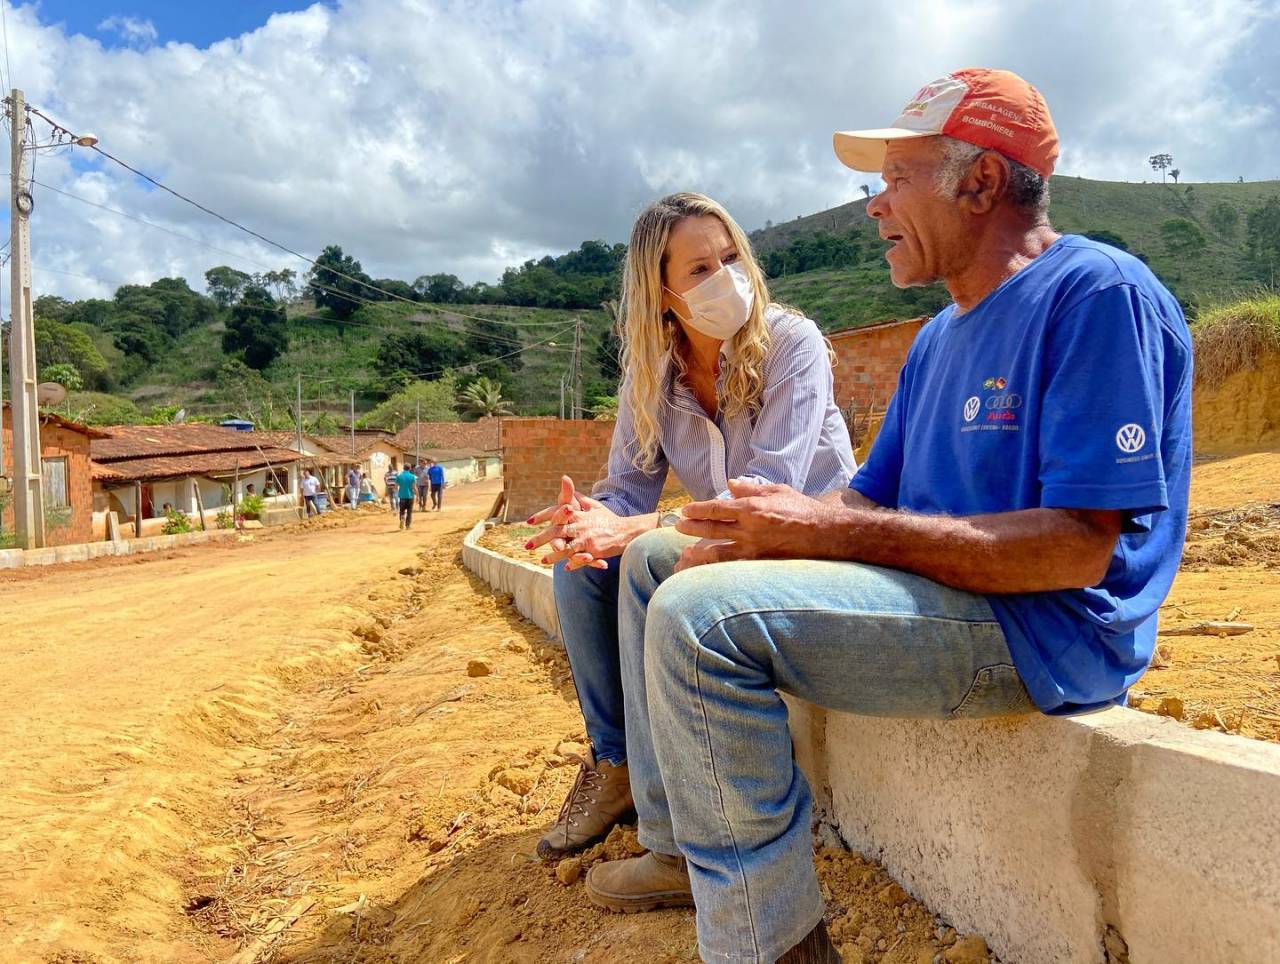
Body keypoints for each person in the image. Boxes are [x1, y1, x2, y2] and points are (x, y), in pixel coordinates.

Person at [581, 69, 1193, 964]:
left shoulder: (1096, 294)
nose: (873, 206)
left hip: (1046, 630)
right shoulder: (942, 335)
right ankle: (677, 848)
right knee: (665, 562)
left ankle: (770, 946)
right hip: (944, 598)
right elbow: (864, 499)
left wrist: (829, 533)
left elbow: (1075, 553)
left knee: (699, 623)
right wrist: (763, 526)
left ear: (979, 183)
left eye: (898, 178)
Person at [525, 192, 857, 863]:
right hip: (720, 542)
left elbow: (766, 491)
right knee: (582, 568)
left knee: (645, 552)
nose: (726, 278)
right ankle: (615, 764)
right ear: (662, 293)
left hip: (807, 538)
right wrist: (587, 520)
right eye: (700, 270)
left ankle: (672, 826)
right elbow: (625, 485)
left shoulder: (792, 343)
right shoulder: (654, 375)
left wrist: (636, 528)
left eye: (731, 257)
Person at [395, 462, 419, 530]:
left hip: (402, 496)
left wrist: (396, 494)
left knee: (402, 511)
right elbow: (414, 487)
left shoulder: (399, 476)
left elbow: (396, 486)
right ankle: (408, 525)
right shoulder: (412, 476)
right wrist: (417, 496)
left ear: (403, 468)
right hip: (410, 496)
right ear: (410, 468)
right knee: (409, 512)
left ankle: (402, 518)